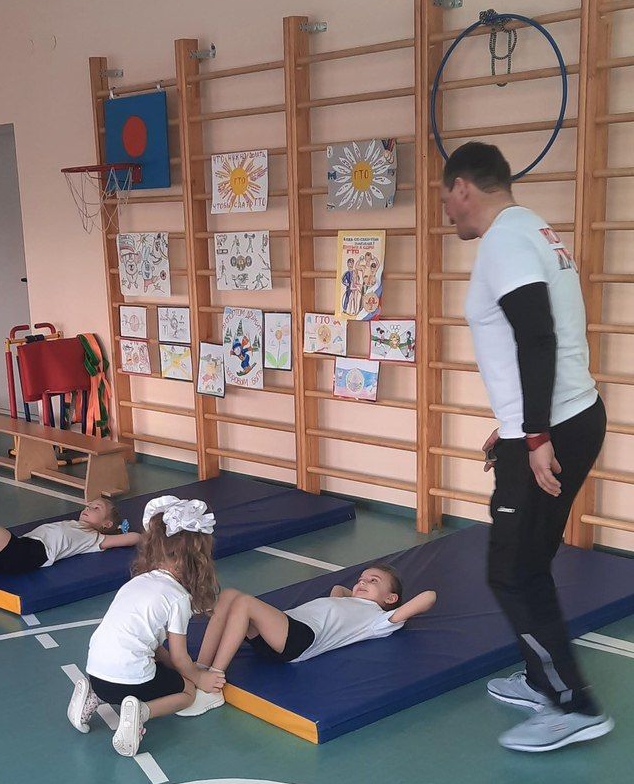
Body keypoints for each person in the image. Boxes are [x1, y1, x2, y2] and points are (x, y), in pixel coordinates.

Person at [441, 141, 612, 752]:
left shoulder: (505, 241)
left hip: (552, 429)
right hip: (566, 416)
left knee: (512, 571)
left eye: (446, 198)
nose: (446, 211)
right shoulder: (533, 228)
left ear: (464, 187)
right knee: (527, 564)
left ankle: (572, 704)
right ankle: (546, 680)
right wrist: (513, 425)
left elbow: (537, 337)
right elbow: (538, 340)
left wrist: (534, 434)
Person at [66, 495, 221, 757]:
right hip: (129, 682)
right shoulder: (178, 598)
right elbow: (181, 659)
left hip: (96, 672)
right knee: (187, 692)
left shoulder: (137, 582)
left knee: (138, 668)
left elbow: (153, 645)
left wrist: (173, 665)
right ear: (196, 561)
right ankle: (142, 712)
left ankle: (94, 694)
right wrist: (199, 677)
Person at [195, 566, 435, 673]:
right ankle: (201, 666)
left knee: (244, 603)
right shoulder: (348, 602)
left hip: (300, 639)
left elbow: (428, 596)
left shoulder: (378, 619)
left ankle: (215, 674)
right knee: (228, 595)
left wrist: (392, 607)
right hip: (279, 632)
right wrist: (358, 594)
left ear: (391, 598)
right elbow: (338, 588)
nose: (362, 582)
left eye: (374, 581)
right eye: (361, 579)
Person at [0, 498, 141, 613]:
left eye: (96, 508)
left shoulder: (94, 538)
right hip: (18, 548)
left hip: (29, 554)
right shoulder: (74, 524)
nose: (88, 508)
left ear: (106, 524)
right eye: (88, 505)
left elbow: (132, 537)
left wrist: (147, 533)